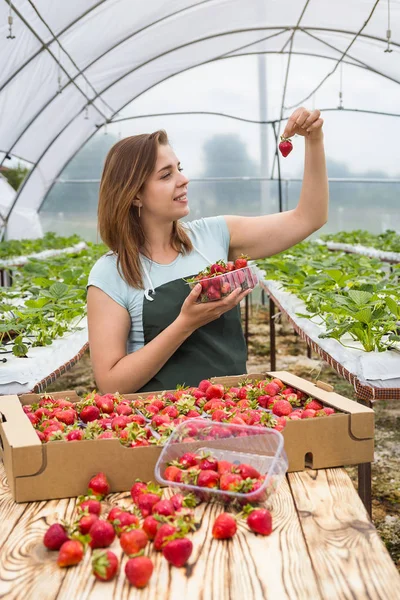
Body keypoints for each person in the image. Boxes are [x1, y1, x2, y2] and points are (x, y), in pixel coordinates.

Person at [87, 107, 328, 393]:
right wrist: (185, 324)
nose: (183, 179)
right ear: (134, 194)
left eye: (180, 168)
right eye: (166, 175)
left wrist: (314, 140)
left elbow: (309, 218)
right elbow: (111, 383)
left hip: (233, 413)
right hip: (159, 424)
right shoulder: (111, 274)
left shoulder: (214, 235)